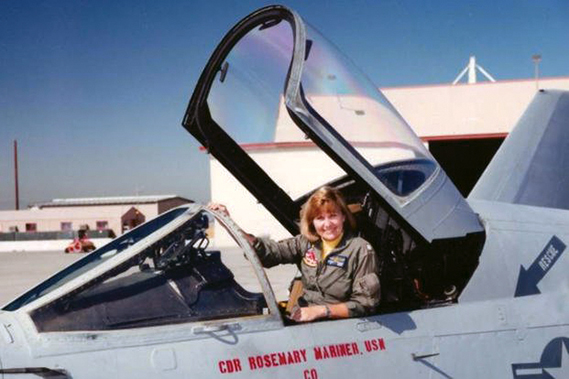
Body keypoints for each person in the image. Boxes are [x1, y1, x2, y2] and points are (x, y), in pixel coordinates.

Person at [209, 186, 380, 323]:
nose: (327, 224)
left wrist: (321, 311)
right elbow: (267, 254)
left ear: (343, 217)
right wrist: (229, 223)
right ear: (312, 222)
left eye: (333, 216)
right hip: (304, 319)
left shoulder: (360, 249)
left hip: (337, 327)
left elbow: (365, 304)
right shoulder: (306, 243)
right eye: (320, 218)